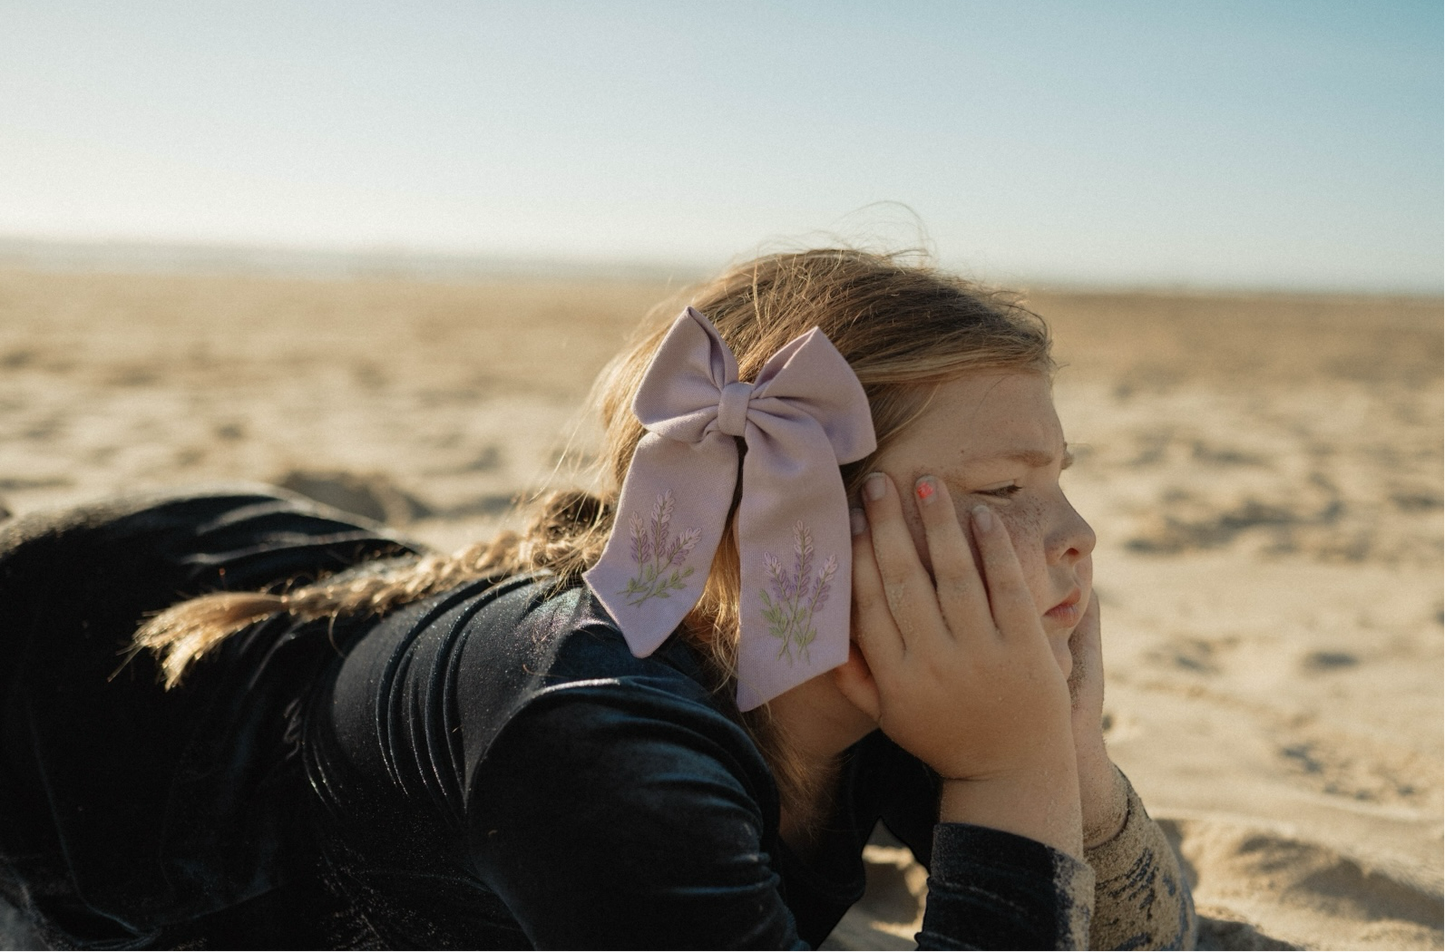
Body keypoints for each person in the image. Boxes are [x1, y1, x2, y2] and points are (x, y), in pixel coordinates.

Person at [0, 249, 1195, 950]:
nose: (1076, 539)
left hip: (309, 581)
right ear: (790, 526)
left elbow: (1142, 934)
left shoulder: (857, 669)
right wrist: (1009, 775)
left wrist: (1063, 759)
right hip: (83, 667)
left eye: (1058, 485)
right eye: (1002, 488)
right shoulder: (598, 745)